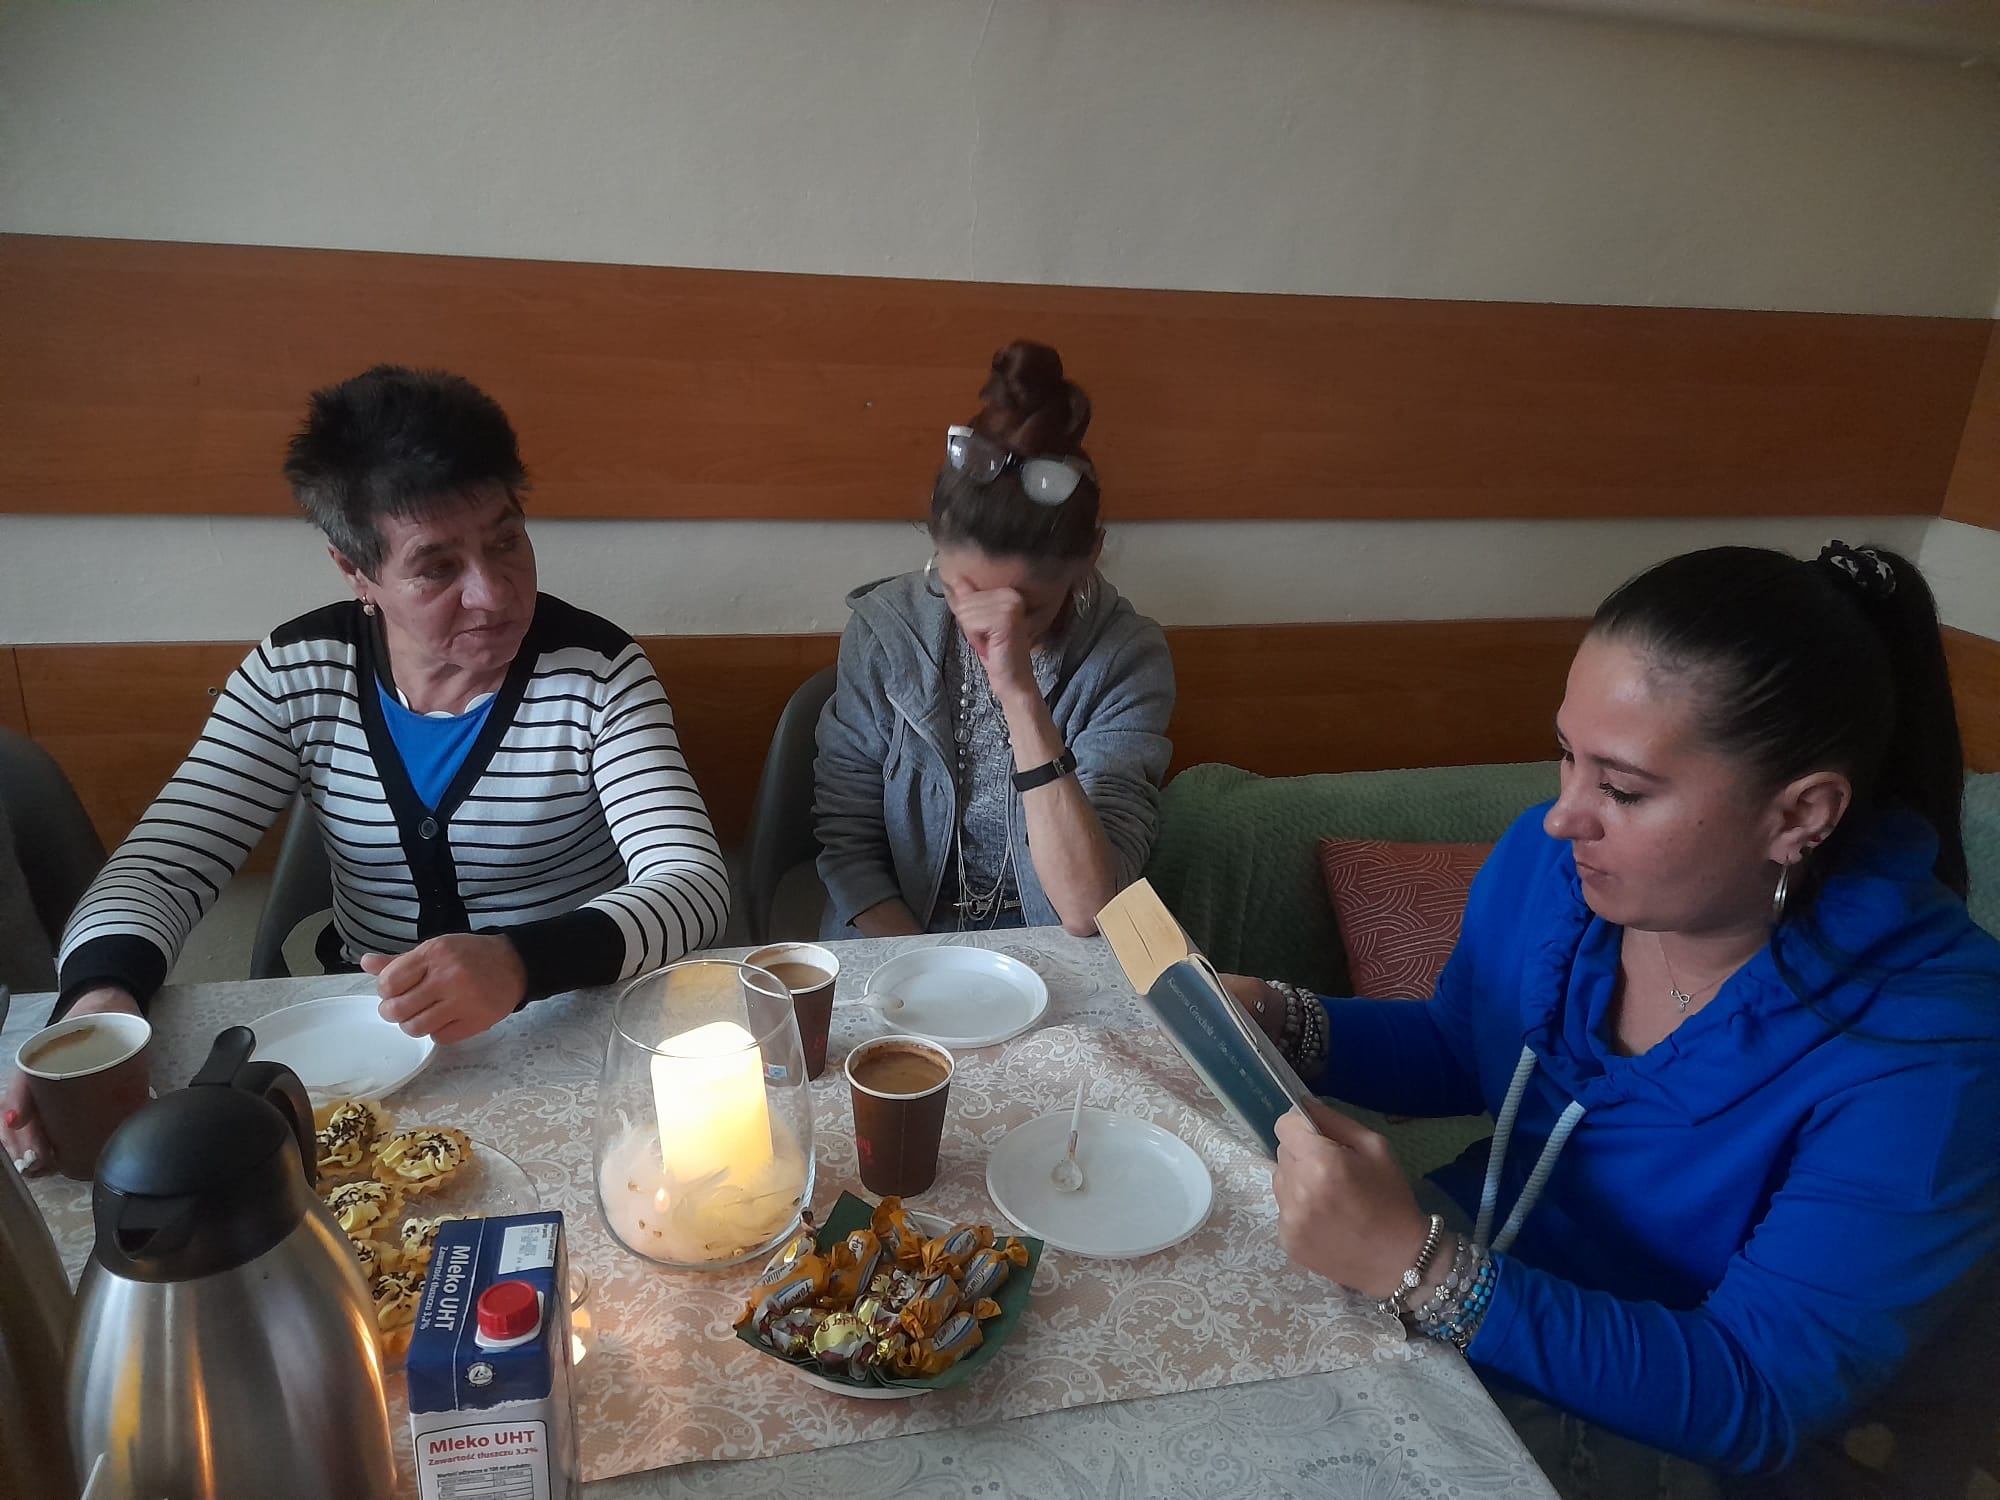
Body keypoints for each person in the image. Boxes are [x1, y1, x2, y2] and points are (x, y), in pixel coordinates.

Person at [1228, 543, 2000, 1495]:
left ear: (1800, 814)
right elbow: (1464, 1046)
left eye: (1623, 789)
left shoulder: (1932, 1053)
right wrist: (1282, 1020)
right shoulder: (1558, 868)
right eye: (1566, 755)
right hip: (1478, 1283)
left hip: (1678, 1425)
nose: (1563, 817)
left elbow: (1760, 1394)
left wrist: (1421, 1270)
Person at [2, 366, 729, 1175]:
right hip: (363, 1050)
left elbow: (691, 885)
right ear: (356, 571)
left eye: (505, 540)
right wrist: (100, 998)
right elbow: (161, 867)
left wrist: (522, 962)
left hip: (571, 1022)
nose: (493, 594)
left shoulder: (597, 673)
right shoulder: (295, 672)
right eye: (437, 567)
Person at [813, 340, 1174, 939]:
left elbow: (1091, 908)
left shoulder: (1127, 658)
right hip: (895, 938)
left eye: (1026, 608)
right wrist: (934, 970)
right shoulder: (884, 631)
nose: (988, 623)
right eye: (961, 589)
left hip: (1055, 942)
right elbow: (850, 851)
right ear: (936, 549)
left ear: (1089, 559)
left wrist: (1020, 695)